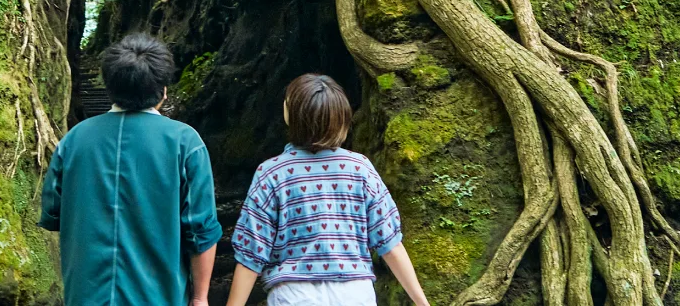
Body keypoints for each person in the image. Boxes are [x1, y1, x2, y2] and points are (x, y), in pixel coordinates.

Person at [40, 33, 223, 306]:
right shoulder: (185, 142)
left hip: (87, 295)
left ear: (109, 87)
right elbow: (200, 231)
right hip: (158, 296)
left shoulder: (74, 140)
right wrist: (200, 298)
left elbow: (52, 212)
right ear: (163, 90)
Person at [225, 74, 432, 306]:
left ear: (291, 115)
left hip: (295, 296)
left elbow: (251, 253)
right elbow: (390, 243)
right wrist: (422, 302)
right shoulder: (360, 169)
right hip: (354, 294)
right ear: (341, 119)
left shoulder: (272, 173)